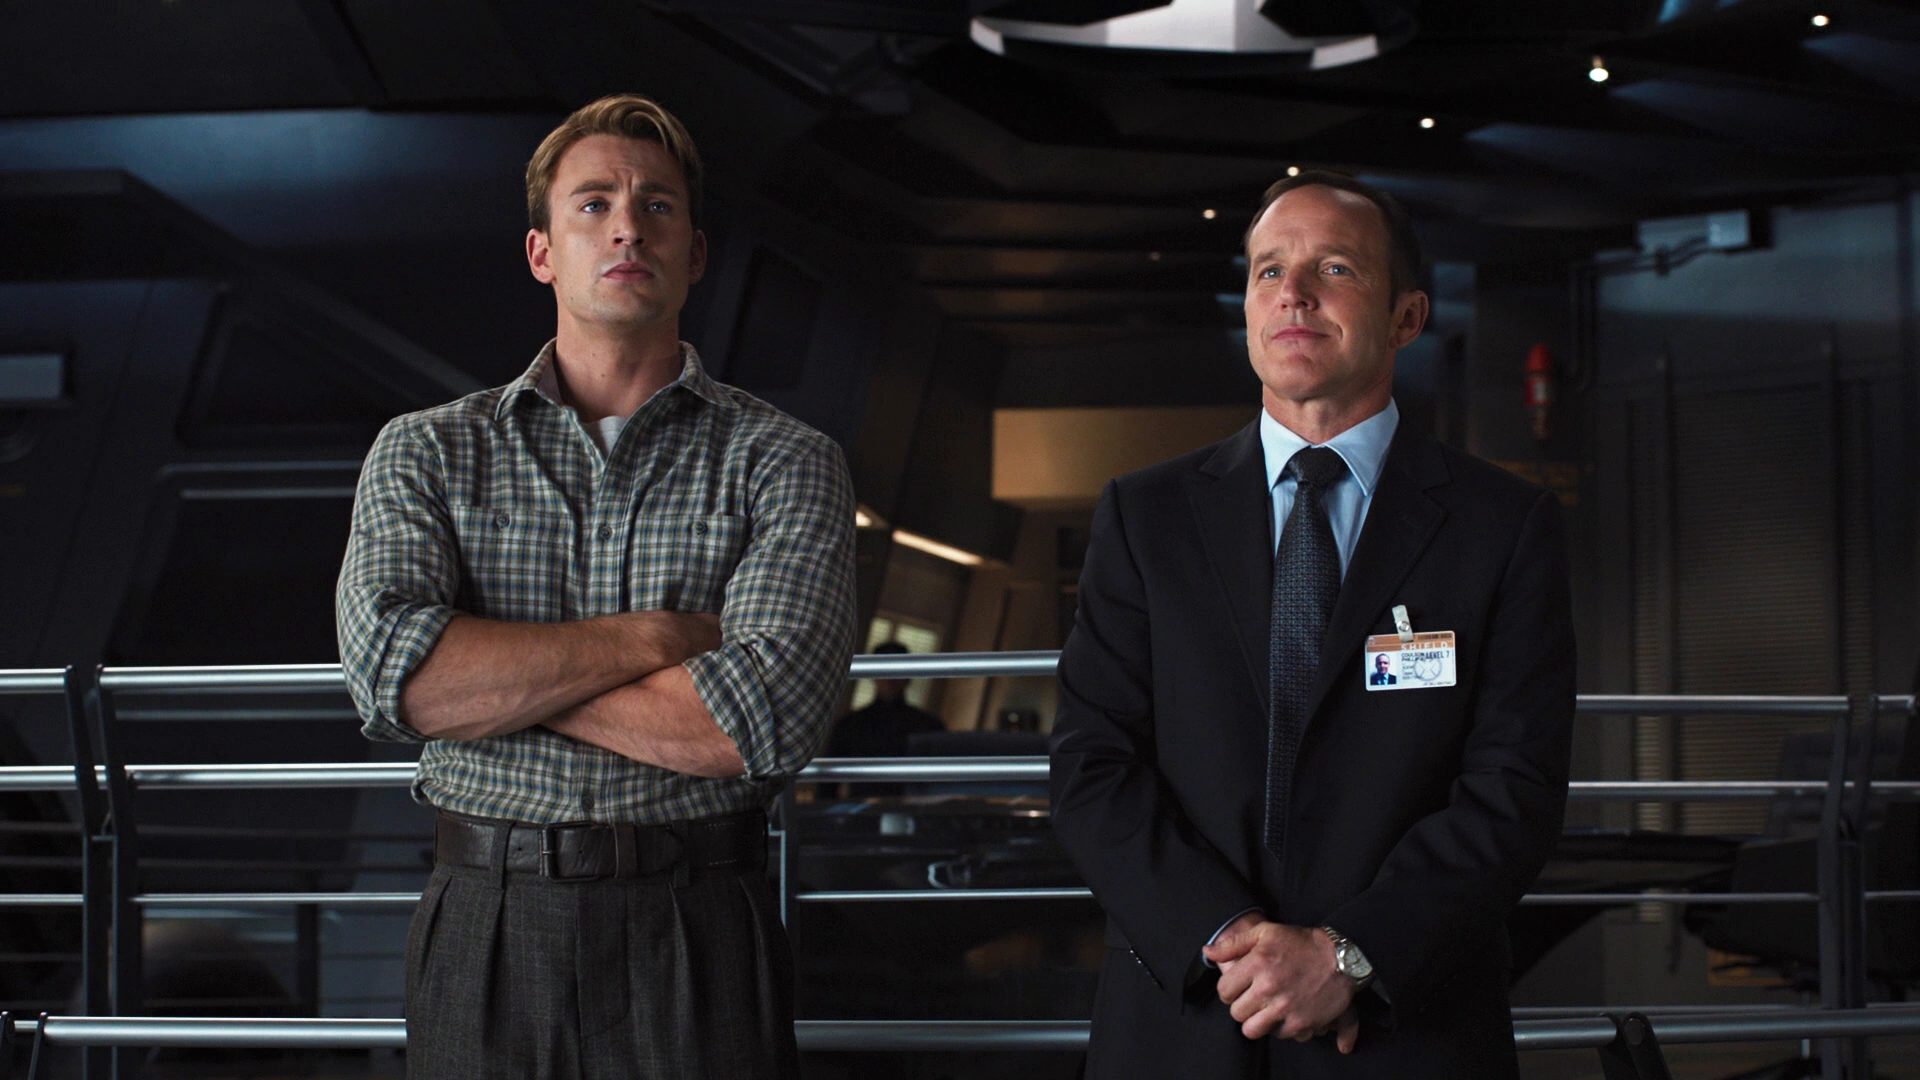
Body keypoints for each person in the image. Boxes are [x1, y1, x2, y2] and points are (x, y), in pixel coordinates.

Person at [335, 94, 857, 1079]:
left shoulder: (787, 460)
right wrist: (659, 640)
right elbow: (399, 681)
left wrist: (495, 680)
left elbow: (759, 723)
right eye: (593, 204)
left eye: (657, 205)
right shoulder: (428, 451)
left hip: (699, 916)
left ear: (695, 254)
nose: (627, 227)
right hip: (487, 916)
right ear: (542, 252)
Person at [1049, 171, 1574, 1079]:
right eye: (1269, 271)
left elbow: (1514, 787)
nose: (1292, 293)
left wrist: (1350, 956)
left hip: (1406, 1031)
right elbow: (1093, 764)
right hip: (1185, 1020)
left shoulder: (1503, 526)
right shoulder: (1146, 517)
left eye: (1334, 268)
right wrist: (1229, 939)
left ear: (1407, 317)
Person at [828, 641, 947, 759]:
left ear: (909, 676)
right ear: (872, 674)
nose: (891, 676)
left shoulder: (930, 727)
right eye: (884, 668)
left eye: (898, 669)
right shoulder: (848, 727)